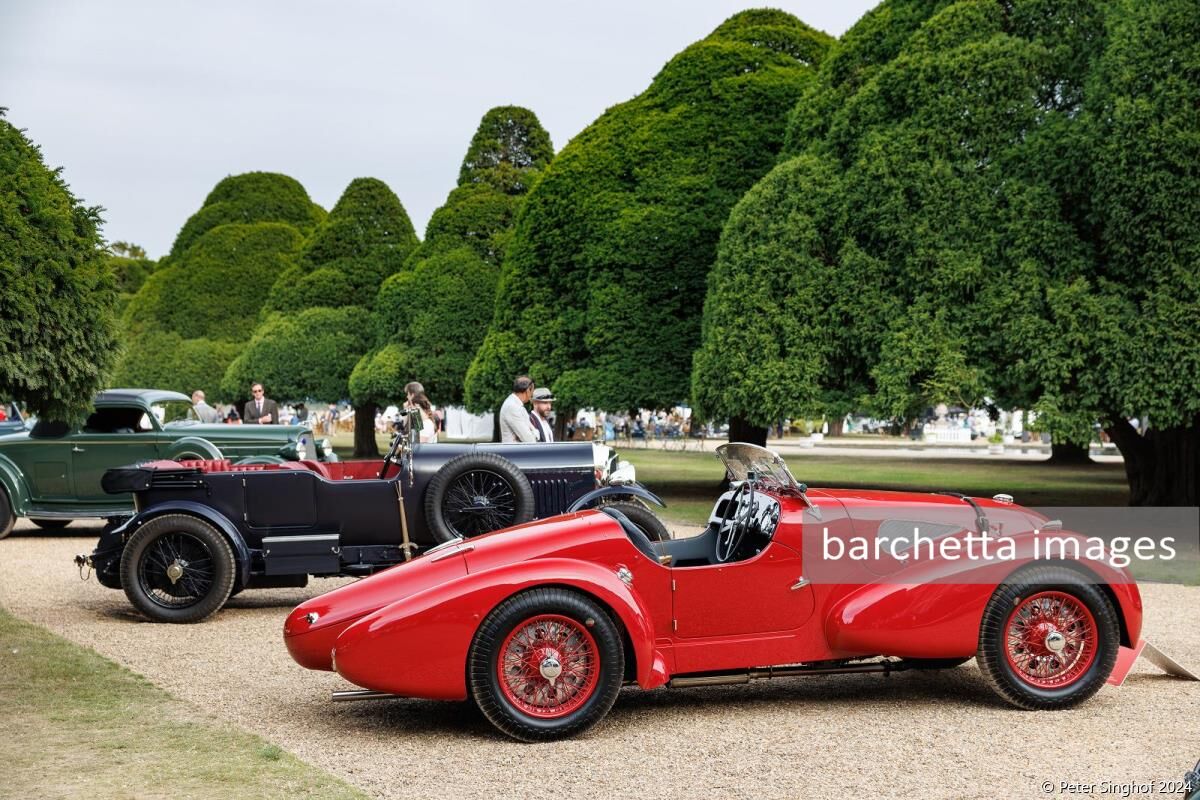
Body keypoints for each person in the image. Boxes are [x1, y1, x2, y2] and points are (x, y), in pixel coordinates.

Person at [500, 375, 537, 443]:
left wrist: (533, 432)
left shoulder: (515, 404)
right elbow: (528, 439)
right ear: (528, 390)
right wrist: (535, 433)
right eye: (532, 391)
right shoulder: (512, 406)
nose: (532, 394)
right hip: (514, 452)